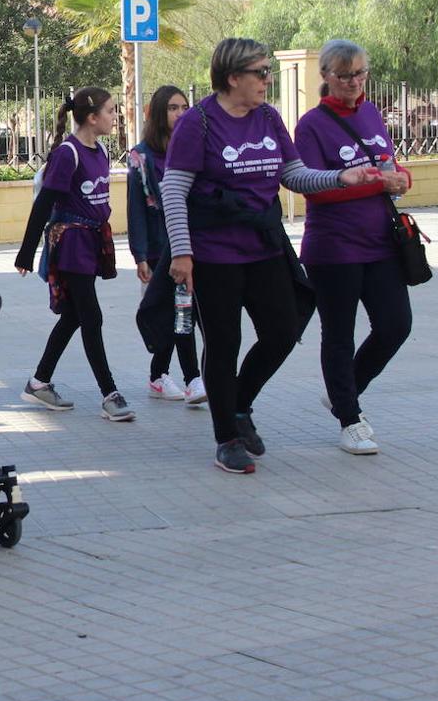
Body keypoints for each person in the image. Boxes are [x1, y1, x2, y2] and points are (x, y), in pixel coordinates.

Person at [161, 38, 379, 474]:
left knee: (282, 332)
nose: (267, 79)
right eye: (260, 72)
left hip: (263, 247)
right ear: (232, 77)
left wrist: (342, 176)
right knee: (223, 344)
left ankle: (239, 404)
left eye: (267, 71)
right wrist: (182, 253)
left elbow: (293, 174)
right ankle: (227, 438)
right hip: (214, 253)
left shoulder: (268, 117)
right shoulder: (198, 122)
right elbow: (173, 188)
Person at [295, 39, 413, 455]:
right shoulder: (311, 125)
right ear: (325, 76)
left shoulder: (371, 113)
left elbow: (388, 166)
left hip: (381, 242)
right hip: (333, 247)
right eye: (344, 75)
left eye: (360, 73)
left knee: (395, 325)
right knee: (339, 334)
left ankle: (345, 391)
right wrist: (369, 181)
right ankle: (349, 418)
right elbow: (315, 188)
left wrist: (399, 179)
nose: (353, 82)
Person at [15, 88, 135, 422]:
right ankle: (110, 394)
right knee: (92, 316)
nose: (116, 117)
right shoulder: (68, 154)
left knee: (73, 316)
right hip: (70, 243)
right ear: (92, 117)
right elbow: (44, 204)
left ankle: (39, 382)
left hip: (92, 241)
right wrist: (26, 252)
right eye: (111, 111)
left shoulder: (100, 152)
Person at [127, 85, 206, 406]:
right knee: (177, 312)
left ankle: (160, 375)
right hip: (161, 251)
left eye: (185, 107)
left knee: (184, 312)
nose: (180, 114)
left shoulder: (193, 148)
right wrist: (140, 255)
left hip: (191, 245)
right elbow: (136, 209)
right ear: (160, 113)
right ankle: (192, 379)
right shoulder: (141, 156)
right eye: (173, 108)